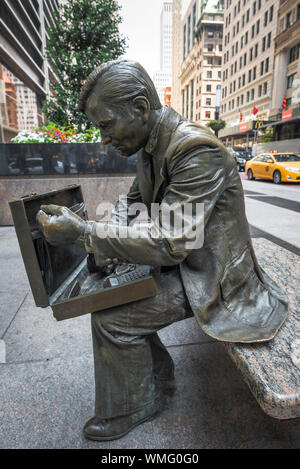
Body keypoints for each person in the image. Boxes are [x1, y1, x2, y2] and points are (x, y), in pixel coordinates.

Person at [36, 60, 288, 441]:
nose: (103, 137)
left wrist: (85, 232)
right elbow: (132, 206)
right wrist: (100, 240)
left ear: (139, 108)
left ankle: (138, 403)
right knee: (106, 293)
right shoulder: (150, 146)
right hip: (189, 261)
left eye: (105, 124)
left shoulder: (196, 150)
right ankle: (155, 377)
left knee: (114, 318)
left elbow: (171, 243)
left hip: (216, 277)